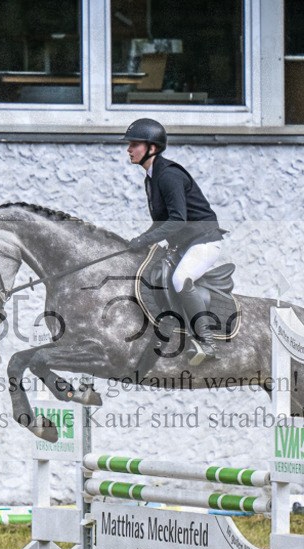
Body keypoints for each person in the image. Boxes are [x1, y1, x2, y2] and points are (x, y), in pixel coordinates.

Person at [123, 118, 225, 365]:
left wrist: (144, 239)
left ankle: (208, 343)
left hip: (204, 242)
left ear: (152, 148)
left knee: (181, 279)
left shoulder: (168, 175)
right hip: (184, 244)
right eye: (130, 145)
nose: (129, 149)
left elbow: (177, 221)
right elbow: (162, 223)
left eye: (135, 144)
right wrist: (139, 243)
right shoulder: (151, 177)